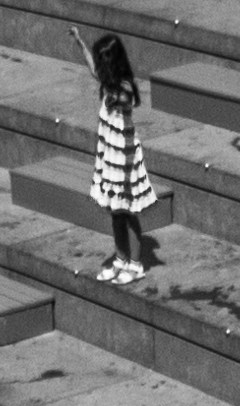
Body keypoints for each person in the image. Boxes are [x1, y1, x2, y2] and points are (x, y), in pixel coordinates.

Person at [72, 28, 158, 284]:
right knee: (115, 213)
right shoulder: (108, 83)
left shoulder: (123, 87)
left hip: (125, 162)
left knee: (127, 212)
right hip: (109, 159)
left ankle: (135, 263)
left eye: (102, 61)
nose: (98, 66)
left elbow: (126, 100)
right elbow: (92, 68)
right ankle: (121, 258)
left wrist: (114, 99)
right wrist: (80, 42)